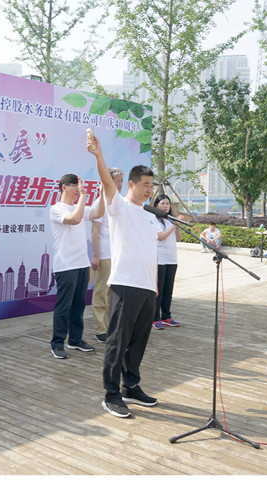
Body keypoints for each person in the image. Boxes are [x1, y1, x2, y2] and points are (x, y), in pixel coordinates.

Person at [86, 131, 159, 419]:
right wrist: (99, 156)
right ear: (131, 184)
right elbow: (106, 182)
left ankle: (131, 386)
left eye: (152, 185)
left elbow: (150, 252)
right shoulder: (119, 207)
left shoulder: (150, 214)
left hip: (147, 287)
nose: (149, 189)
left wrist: (154, 287)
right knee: (118, 341)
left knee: (138, 341)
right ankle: (111, 394)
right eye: (145, 184)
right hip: (125, 284)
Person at [48, 174, 104, 359]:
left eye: (79, 187)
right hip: (65, 265)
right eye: (75, 186)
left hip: (82, 264)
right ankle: (57, 343)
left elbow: (98, 213)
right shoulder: (56, 209)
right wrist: (84, 197)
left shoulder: (79, 207)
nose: (78, 191)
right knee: (64, 305)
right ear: (64, 187)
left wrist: (103, 195)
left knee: (79, 305)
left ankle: (75, 340)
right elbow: (74, 219)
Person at [90, 168, 123, 343]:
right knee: (101, 293)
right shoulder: (100, 202)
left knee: (114, 294)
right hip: (104, 255)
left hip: (118, 255)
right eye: (117, 180)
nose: (120, 184)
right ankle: (100, 329)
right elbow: (94, 231)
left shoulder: (121, 202)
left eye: (121, 180)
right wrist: (95, 255)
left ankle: (112, 326)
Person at [152, 194, 182, 330]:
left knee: (168, 290)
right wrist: (174, 226)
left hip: (172, 258)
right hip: (160, 259)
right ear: (156, 205)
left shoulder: (171, 219)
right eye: (162, 203)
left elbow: (179, 238)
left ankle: (166, 316)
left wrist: (177, 226)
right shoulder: (154, 219)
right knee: (159, 290)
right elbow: (161, 237)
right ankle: (155, 318)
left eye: (167, 203)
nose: (165, 206)